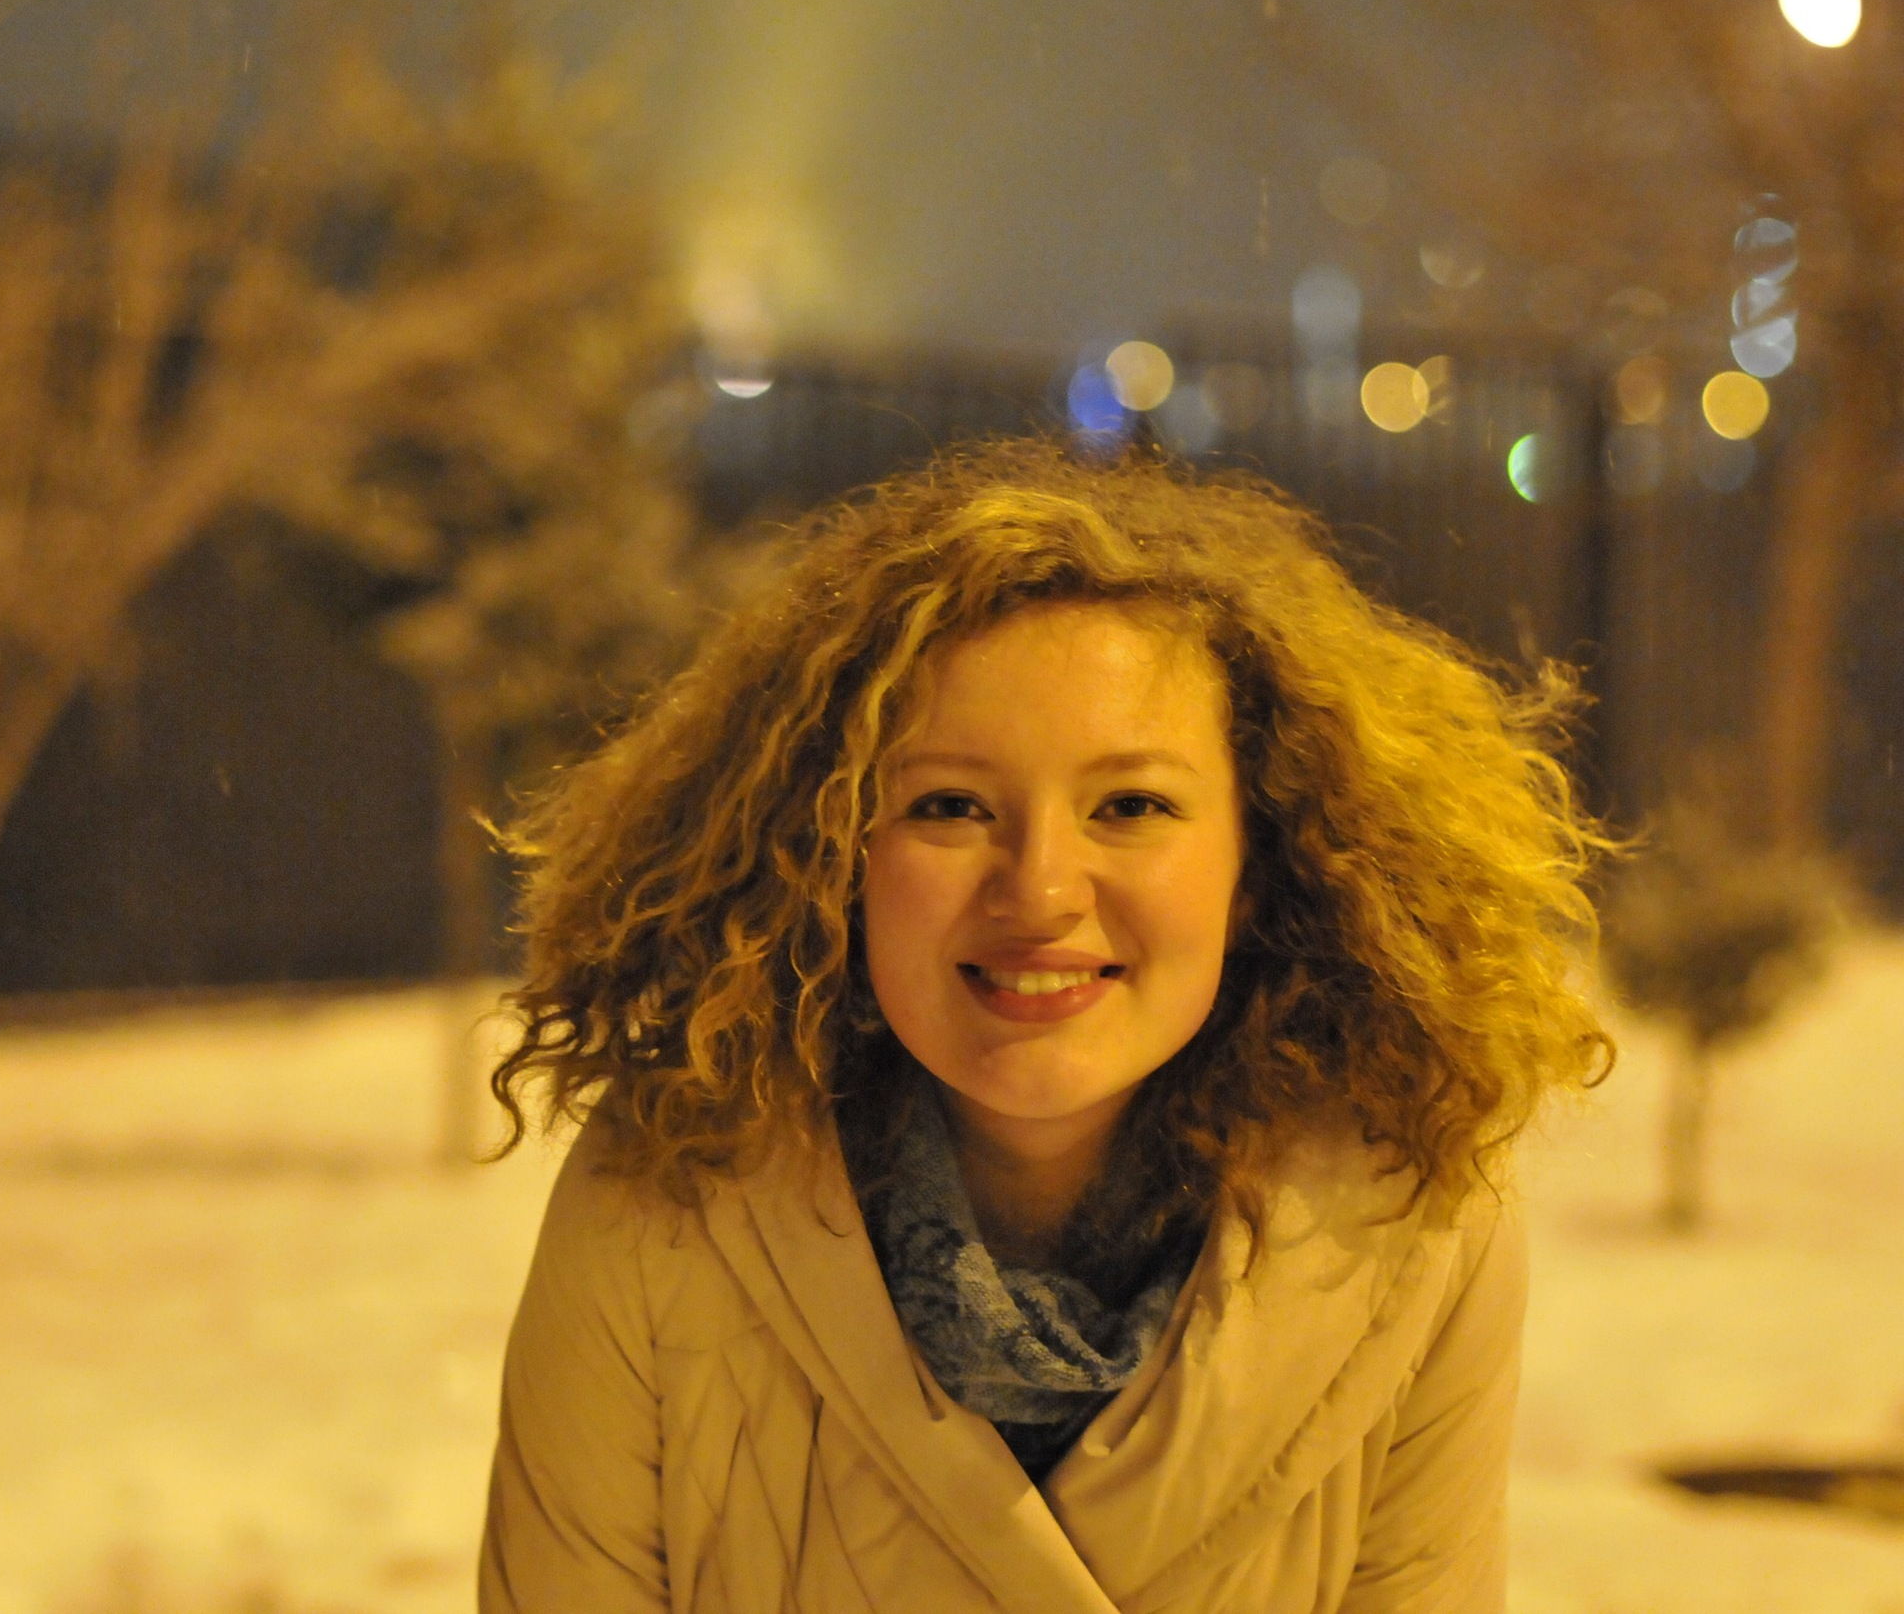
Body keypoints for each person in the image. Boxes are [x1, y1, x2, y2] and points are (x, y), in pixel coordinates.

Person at [477, 440, 1612, 1614]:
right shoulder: (661, 1201)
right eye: (950, 805)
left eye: (1130, 804)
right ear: (831, 855)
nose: (1040, 891)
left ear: (1260, 860)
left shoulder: (1414, 1222)